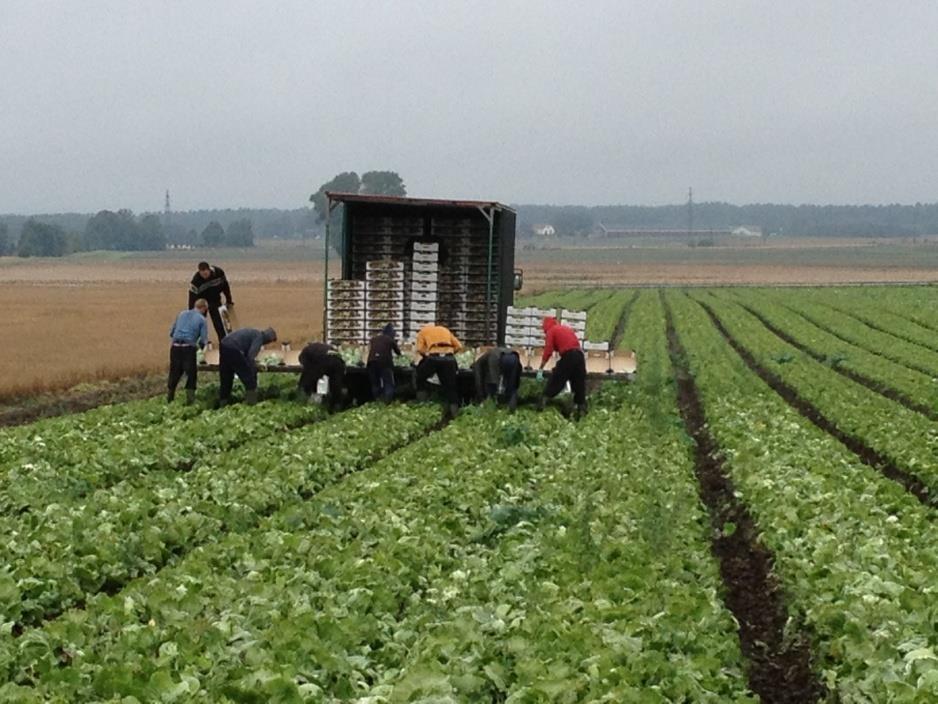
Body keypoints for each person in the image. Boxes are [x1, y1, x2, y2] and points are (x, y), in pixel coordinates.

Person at [537, 316, 588, 417]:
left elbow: (548, 350)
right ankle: (581, 410)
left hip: (569, 356)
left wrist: (541, 368)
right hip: (579, 356)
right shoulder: (565, 328)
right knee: (579, 383)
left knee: (557, 378)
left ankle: (542, 402)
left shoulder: (551, 331)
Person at [218, 326, 276, 406]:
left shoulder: (253, 332)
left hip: (224, 344)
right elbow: (250, 357)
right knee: (249, 380)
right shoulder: (259, 338)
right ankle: (251, 404)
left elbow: (246, 355)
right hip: (233, 348)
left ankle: (223, 404)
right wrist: (254, 372)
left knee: (226, 377)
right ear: (268, 339)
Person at [415, 323, 463, 420]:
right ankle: (455, 415)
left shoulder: (422, 332)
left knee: (420, 378)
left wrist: (427, 356)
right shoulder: (445, 330)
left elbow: (420, 349)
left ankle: (422, 406)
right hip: (449, 359)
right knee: (451, 387)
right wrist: (449, 353)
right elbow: (459, 346)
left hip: (434, 358)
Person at [167, 298, 209, 404]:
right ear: (204, 308)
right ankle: (190, 400)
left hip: (175, 347)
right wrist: (203, 351)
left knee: (174, 372)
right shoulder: (202, 319)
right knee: (191, 373)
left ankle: (170, 397)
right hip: (188, 348)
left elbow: (172, 333)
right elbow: (203, 341)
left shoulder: (181, 314)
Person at [188, 261, 233, 343]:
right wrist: (192, 311)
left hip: (215, 299)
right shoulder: (196, 281)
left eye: (206, 274)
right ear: (199, 272)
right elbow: (192, 297)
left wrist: (229, 300)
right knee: (200, 322)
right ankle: (201, 341)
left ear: (209, 270)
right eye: (202, 274)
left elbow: (226, 287)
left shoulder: (219, 273)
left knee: (219, 322)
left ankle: (223, 341)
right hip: (202, 302)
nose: (204, 276)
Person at [297, 341, 346, 410]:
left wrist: (303, 385)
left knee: (310, 379)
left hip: (324, 360)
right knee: (336, 384)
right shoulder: (319, 347)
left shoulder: (305, 355)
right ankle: (336, 405)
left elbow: (309, 372)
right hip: (338, 361)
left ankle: (307, 400)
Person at [472, 347, 522, 411]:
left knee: (492, 386)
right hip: (514, 357)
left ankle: (490, 409)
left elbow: (479, 381)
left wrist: (481, 398)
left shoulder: (478, 365)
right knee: (512, 387)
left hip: (501, 358)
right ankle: (511, 410)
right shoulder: (488, 355)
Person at [367, 323, 401, 403]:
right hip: (385, 363)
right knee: (388, 383)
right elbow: (398, 352)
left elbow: (369, 350)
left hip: (371, 362)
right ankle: (387, 402)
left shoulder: (373, 339)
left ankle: (377, 400)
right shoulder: (390, 340)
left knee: (375, 383)